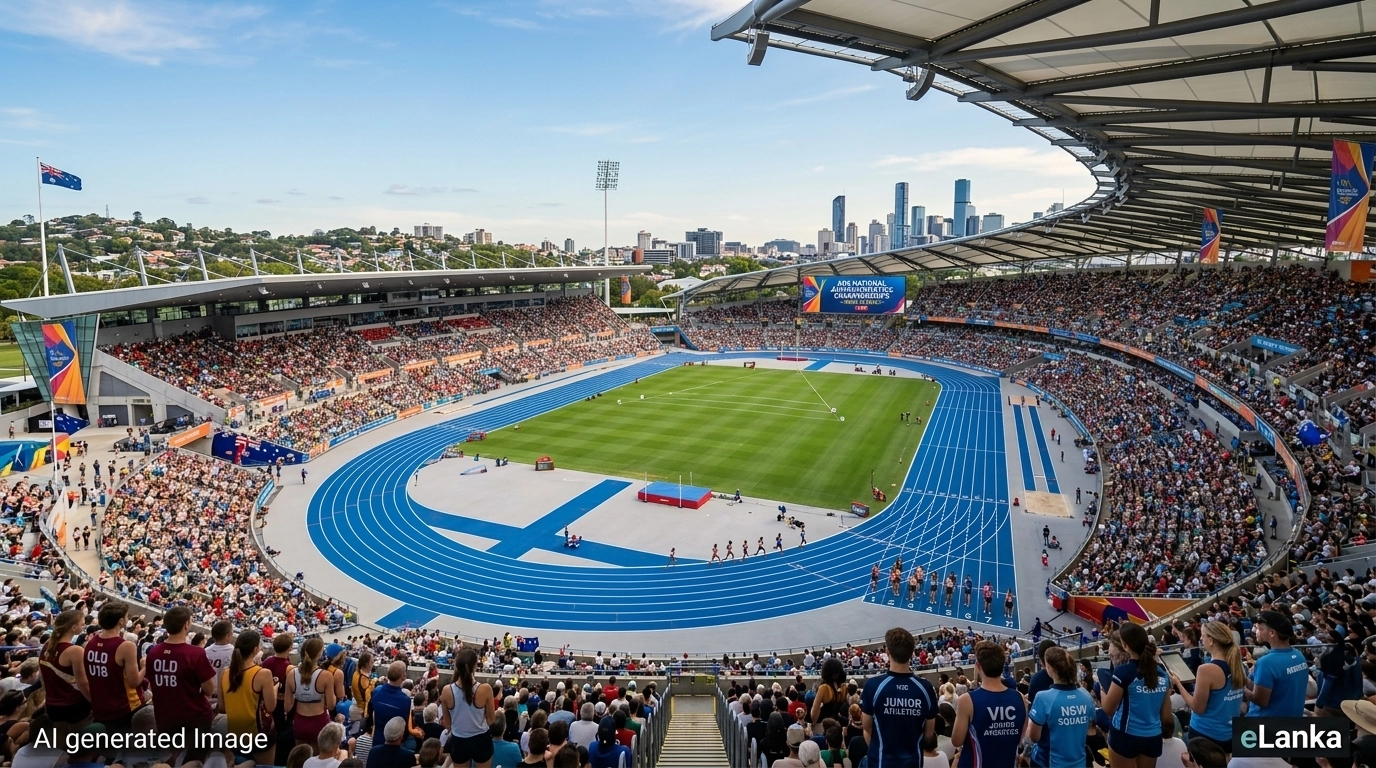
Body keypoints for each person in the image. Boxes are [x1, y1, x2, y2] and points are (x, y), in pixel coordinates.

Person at [861, 627, 937, 768]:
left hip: (881, 762)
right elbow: (928, 733)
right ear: (912, 653)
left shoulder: (873, 686)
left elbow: (866, 727)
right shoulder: (925, 688)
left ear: (888, 652)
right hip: (913, 763)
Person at [1101, 624, 1171, 768]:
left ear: (1125, 645)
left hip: (1126, 735)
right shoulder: (1162, 673)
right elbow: (1166, 716)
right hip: (1153, 737)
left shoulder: (1124, 672)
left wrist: (1102, 688)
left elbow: (1108, 709)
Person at [1169, 622, 1245, 753]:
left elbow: (1197, 708)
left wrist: (1178, 683)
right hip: (1229, 733)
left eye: (1203, 635)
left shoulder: (1207, 669)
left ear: (1211, 640)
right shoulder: (1237, 664)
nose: (1200, 638)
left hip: (1206, 734)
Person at [953, 641, 1026, 768]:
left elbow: (957, 741)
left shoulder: (967, 700)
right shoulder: (1020, 698)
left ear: (978, 666)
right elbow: (1021, 740)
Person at [148, 605, 217, 736]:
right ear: (186, 625)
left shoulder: (153, 652)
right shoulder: (195, 653)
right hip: (194, 718)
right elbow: (209, 690)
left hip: (164, 717)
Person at [84, 601, 145, 734]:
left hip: (100, 707)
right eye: (127, 616)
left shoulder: (91, 643)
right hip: (124, 707)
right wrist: (145, 666)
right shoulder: (126, 646)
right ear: (121, 621)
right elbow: (134, 682)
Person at [219, 628, 278, 765]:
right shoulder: (263, 673)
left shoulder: (225, 673)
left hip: (234, 735)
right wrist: (275, 689)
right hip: (258, 736)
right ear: (255, 650)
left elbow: (222, 707)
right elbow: (270, 707)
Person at [1027, 647, 1093, 768]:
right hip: (1079, 762)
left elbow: (1034, 737)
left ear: (1049, 667)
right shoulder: (1086, 696)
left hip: (1048, 762)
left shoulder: (1043, 697)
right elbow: (1089, 729)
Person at [439, 647, 497, 768]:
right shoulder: (485, 689)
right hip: (481, 740)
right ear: (475, 666)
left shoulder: (446, 691)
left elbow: (447, 725)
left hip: (459, 741)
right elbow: (491, 720)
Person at [1245, 609, 1308, 717]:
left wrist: (1241, 689)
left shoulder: (1266, 662)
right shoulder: (1298, 655)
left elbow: (1261, 700)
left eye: (1259, 629)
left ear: (1272, 633)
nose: (1256, 632)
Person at [38, 608, 91, 730]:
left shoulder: (47, 644)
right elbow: (83, 684)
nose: (84, 627)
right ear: (74, 627)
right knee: (79, 739)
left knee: (61, 739)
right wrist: (95, 703)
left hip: (52, 705)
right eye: (82, 624)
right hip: (74, 705)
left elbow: (42, 676)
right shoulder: (75, 651)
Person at [286, 636, 336, 747]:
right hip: (319, 722)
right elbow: (331, 705)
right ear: (319, 654)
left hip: (300, 722)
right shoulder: (326, 676)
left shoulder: (291, 674)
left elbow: (287, 707)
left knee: (301, 755)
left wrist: (300, 694)